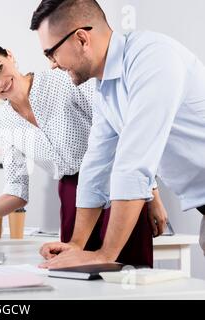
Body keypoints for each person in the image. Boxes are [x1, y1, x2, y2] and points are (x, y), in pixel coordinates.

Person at [0, 39, 167, 267]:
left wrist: (152, 194)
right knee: (77, 277)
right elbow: (16, 190)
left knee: (127, 272)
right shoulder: (4, 121)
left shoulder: (63, 79)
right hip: (71, 197)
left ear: (10, 56)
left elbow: (122, 129)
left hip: (118, 184)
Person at [30, 0, 205, 268]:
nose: (53, 64)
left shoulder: (152, 58)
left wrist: (105, 253)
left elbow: (133, 164)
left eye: (51, 53)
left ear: (81, 39)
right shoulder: (106, 87)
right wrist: (76, 245)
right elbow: (96, 166)